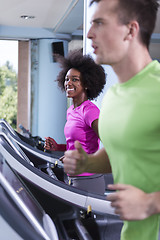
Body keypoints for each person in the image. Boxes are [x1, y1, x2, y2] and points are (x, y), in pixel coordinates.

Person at [63, 0, 160, 240]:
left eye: (99, 23)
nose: (89, 33)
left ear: (130, 30)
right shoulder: (116, 96)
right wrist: (88, 164)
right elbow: (125, 152)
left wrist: (151, 202)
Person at [45, 50, 106, 194]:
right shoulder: (71, 110)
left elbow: (109, 142)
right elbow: (80, 143)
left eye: (75, 79)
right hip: (73, 178)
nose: (69, 83)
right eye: (67, 79)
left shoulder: (90, 111)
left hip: (89, 179)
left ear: (86, 84)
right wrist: (59, 147)